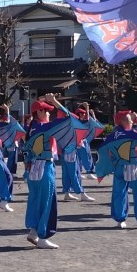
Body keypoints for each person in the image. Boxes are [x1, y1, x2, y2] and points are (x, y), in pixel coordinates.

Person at [23, 93, 89, 249]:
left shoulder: (31, 129)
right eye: (46, 111)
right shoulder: (46, 127)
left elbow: (26, 153)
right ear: (39, 112)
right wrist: (54, 101)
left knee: (35, 200)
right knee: (47, 202)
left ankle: (34, 231)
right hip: (45, 167)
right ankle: (43, 236)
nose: (49, 113)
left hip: (33, 169)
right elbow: (71, 118)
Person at [95, 110, 137, 229]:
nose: (132, 121)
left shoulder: (112, 136)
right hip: (131, 167)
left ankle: (119, 219)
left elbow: (103, 149)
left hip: (118, 167)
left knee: (119, 193)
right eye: (130, 119)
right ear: (123, 121)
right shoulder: (130, 133)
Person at [61, 105, 99, 202]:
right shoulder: (72, 125)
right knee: (75, 173)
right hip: (71, 152)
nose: (82, 115)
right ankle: (81, 193)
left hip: (67, 151)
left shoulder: (64, 126)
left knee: (67, 173)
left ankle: (67, 193)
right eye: (80, 114)